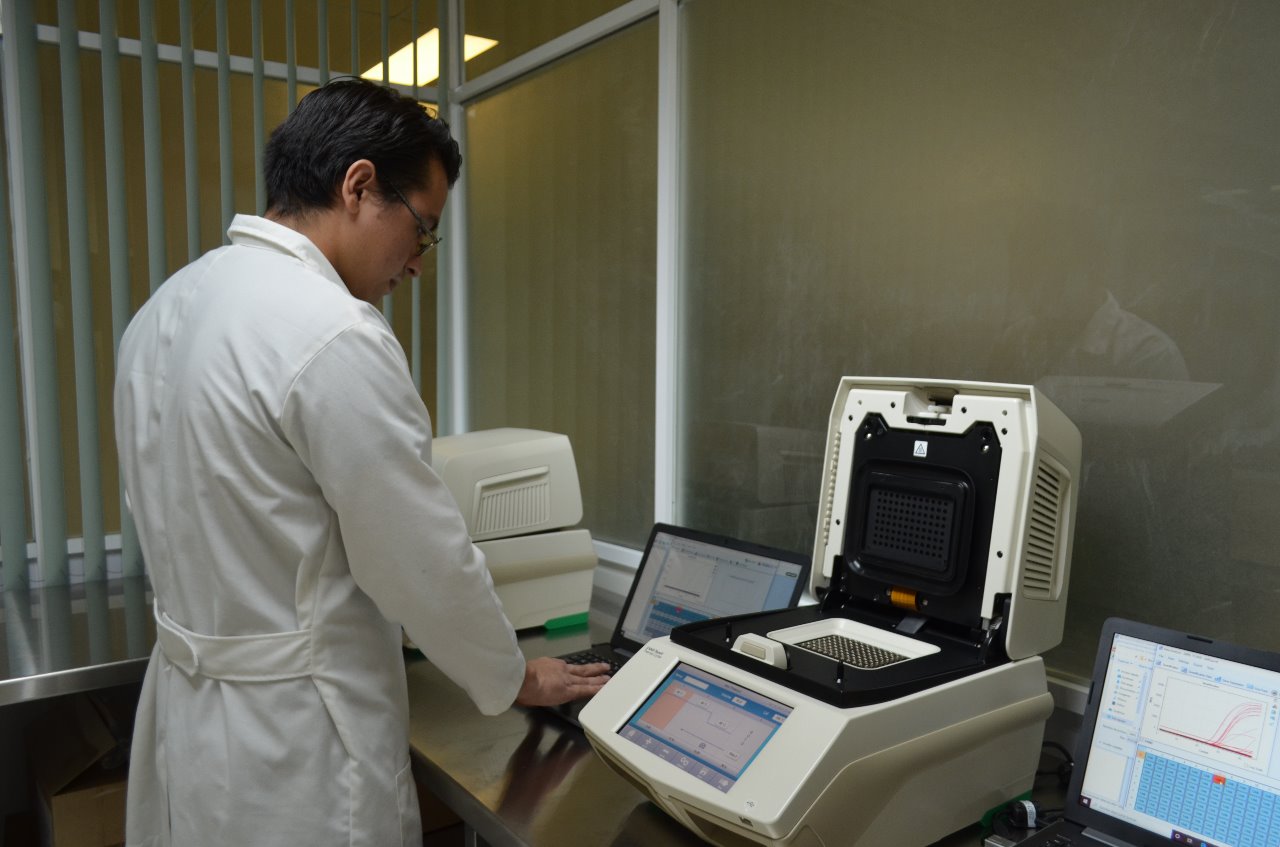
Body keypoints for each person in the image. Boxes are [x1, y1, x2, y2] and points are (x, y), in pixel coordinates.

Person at [114, 78, 610, 847]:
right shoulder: (332, 332)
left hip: (193, 723)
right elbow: (421, 559)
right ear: (358, 186)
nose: (416, 265)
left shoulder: (163, 312)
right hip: (295, 746)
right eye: (422, 230)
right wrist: (515, 674)